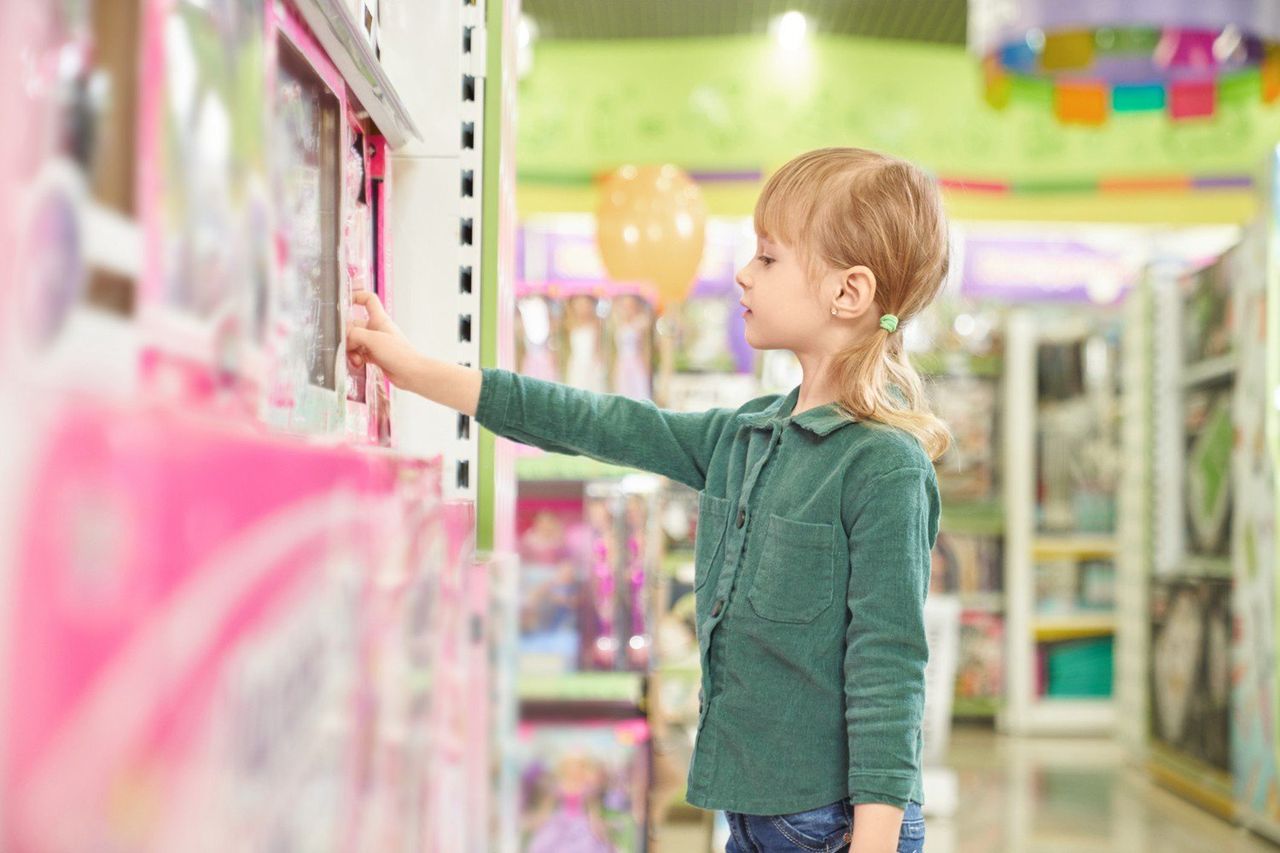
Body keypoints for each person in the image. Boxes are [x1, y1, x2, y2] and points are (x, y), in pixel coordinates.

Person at [346, 147, 950, 853]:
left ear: (848, 293)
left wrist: (872, 842)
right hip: (753, 817)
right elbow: (600, 422)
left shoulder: (885, 467)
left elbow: (889, 664)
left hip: (836, 827)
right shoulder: (746, 437)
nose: (742, 273)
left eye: (768, 257)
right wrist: (418, 371)